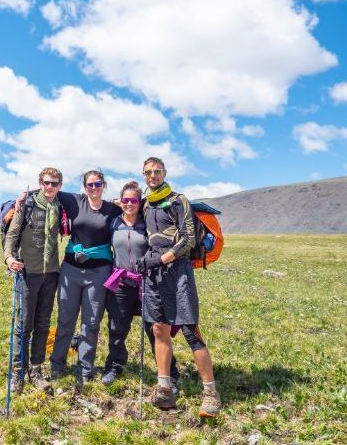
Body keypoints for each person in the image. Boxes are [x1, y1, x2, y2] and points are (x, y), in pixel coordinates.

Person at [136, 156, 222, 417]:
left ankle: (210, 393)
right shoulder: (145, 204)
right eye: (148, 172)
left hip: (177, 270)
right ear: (143, 175)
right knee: (159, 328)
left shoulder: (178, 200)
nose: (153, 176)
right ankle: (164, 388)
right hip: (155, 273)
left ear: (164, 173)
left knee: (190, 330)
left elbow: (188, 239)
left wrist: (161, 259)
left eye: (157, 171)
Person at [102, 181, 180, 389]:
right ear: (121, 201)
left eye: (133, 200)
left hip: (147, 282)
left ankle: (169, 373)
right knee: (117, 327)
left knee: (154, 329)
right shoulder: (113, 222)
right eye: (125, 200)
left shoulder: (148, 222)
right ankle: (114, 365)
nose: (129, 204)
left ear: (140, 202)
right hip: (120, 281)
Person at [49, 170, 122, 390]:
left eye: (97, 184)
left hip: (99, 272)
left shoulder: (113, 209)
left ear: (104, 185)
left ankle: (85, 367)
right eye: (89, 185)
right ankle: (57, 364)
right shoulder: (75, 201)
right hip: (71, 270)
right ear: (84, 186)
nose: (93, 188)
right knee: (65, 320)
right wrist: (22, 200)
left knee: (91, 323)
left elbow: (135, 209)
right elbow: (50, 190)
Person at [3, 167, 64, 393]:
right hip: (28, 272)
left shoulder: (61, 205)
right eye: (46, 182)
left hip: (51, 274)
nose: (50, 187)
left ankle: (36, 370)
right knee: (24, 326)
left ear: (60, 185)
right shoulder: (27, 205)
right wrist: (9, 257)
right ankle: (18, 372)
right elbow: (12, 234)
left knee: (43, 324)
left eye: (54, 183)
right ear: (40, 183)